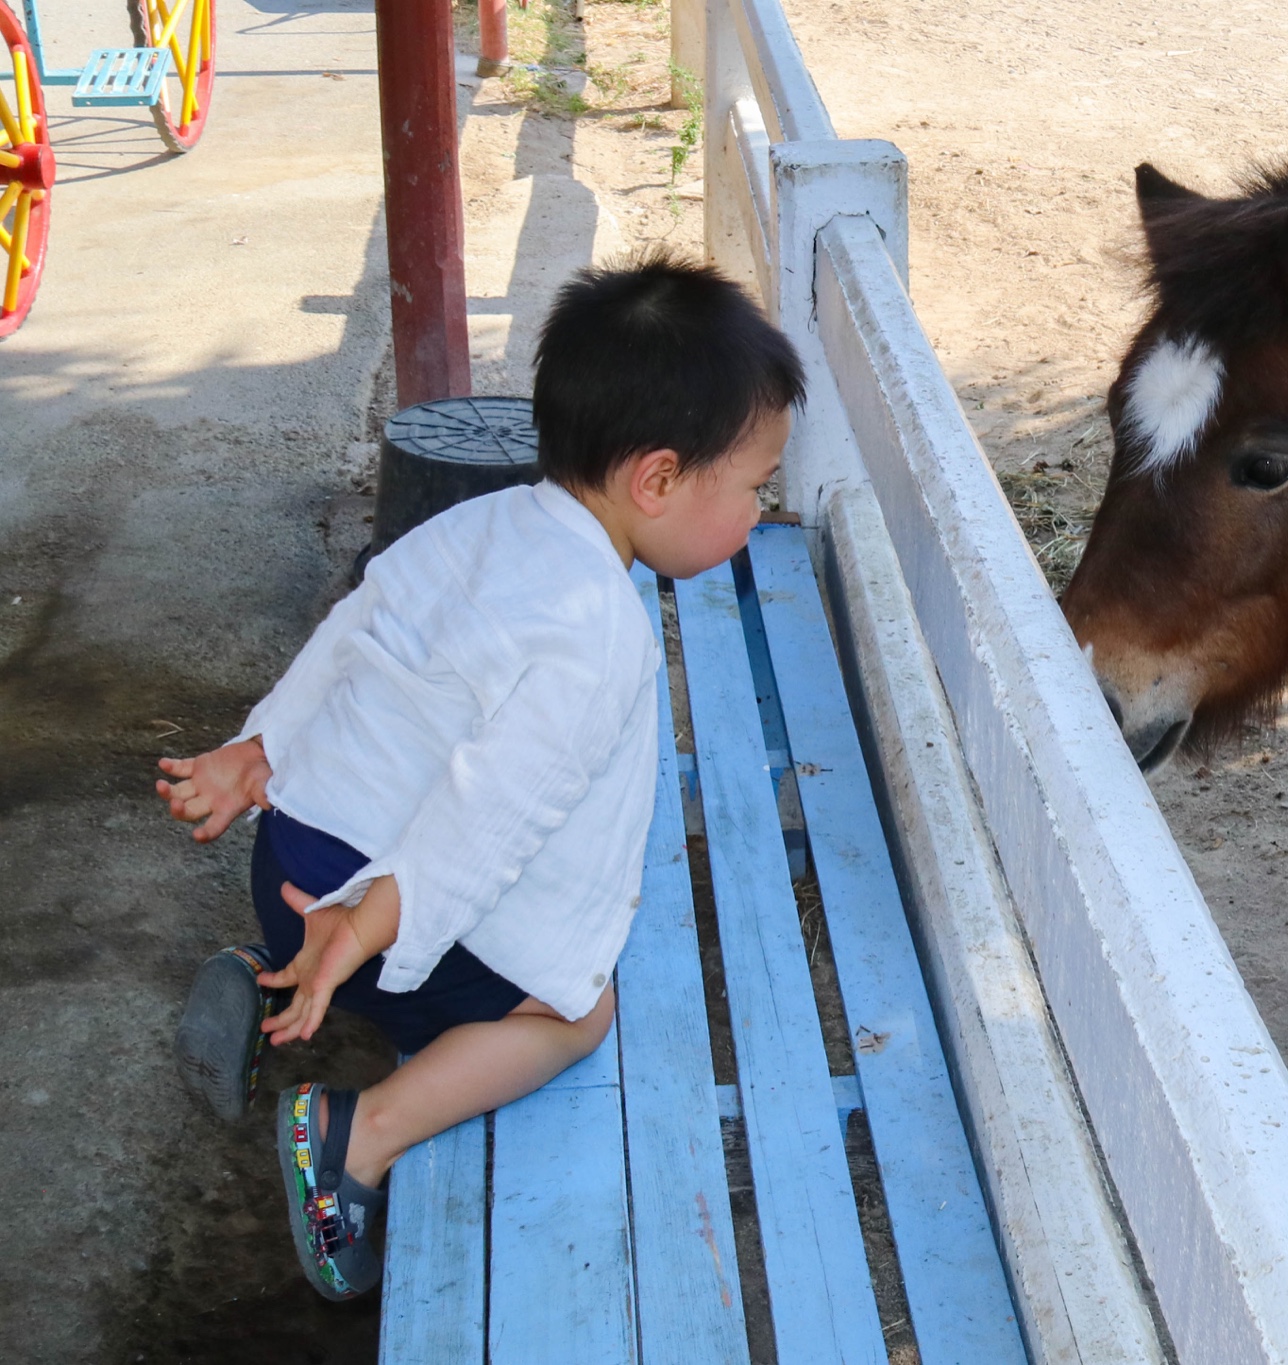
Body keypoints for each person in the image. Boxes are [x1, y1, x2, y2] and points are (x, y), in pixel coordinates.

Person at [153, 249, 803, 1301]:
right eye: (753, 488)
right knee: (569, 1014)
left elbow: (355, 631)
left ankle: (271, 960)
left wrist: (257, 749)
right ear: (657, 478)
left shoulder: (478, 523)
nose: (758, 517)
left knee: (368, 905)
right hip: (358, 918)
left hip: (290, 859)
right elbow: (484, 818)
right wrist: (363, 926)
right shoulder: (595, 633)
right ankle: (356, 1135)